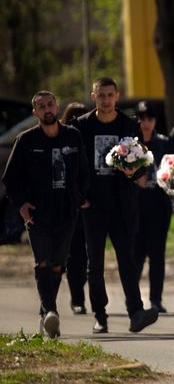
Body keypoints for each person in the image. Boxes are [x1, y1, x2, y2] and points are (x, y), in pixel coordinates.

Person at [73, 77, 159, 334]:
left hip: (123, 205)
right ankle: (100, 315)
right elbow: (74, 164)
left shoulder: (129, 124)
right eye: (101, 95)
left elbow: (141, 161)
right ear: (93, 96)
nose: (106, 100)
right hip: (93, 206)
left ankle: (136, 313)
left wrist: (134, 172)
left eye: (110, 95)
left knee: (127, 261)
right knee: (95, 265)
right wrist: (80, 196)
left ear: (117, 96)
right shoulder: (81, 126)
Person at [2, 91, 90, 338]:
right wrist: (21, 205)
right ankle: (52, 312)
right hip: (38, 214)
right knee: (42, 262)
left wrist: (79, 197)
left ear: (56, 106)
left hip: (66, 212)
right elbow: (10, 179)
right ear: (35, 113)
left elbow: (84, 172)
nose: (47, 109)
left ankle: (45, 316)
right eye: (41, 106)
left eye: (50, 104)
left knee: (57, 266)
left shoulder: (73, 136)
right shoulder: (26, 141)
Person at [133, 101, 172, 314]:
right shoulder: (130, 146)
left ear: (154, 121)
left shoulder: (164, 144)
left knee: (157, 254)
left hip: (159, 205)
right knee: (136, 253)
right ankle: (134, 299)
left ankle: (156, 299)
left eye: (149, 119)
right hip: (137, 206)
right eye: (141, 119)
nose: (145, 123)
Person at [60, 102, 90, 315]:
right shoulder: (63, 143)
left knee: (88, 256)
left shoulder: (88, 142)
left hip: (90, 206)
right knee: (74, 255)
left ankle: (83, 292)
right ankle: (77, 298)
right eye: (73, 120)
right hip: (69, 207)